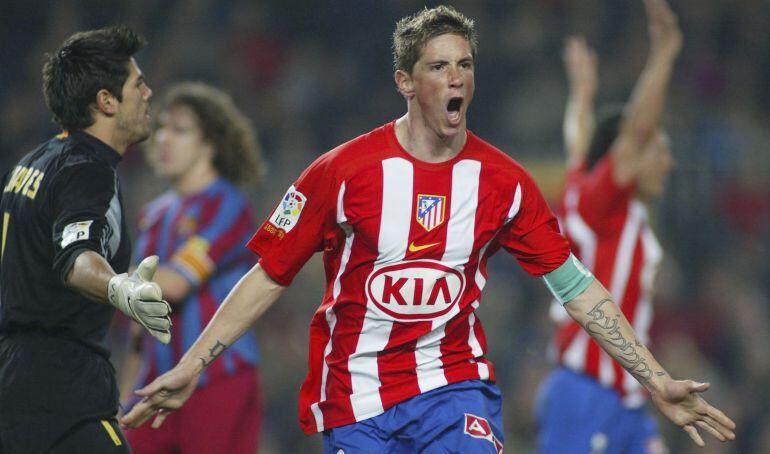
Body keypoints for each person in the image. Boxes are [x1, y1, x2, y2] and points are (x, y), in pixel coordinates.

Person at [122, 5, 735, 453]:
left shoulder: (505, 183)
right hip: (356, 399)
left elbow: (576, 287)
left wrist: (654, 377)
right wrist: (193, 363)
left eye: (465, 64)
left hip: (453, 389)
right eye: (439, 66)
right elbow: (267, 275)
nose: (457, 78)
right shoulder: (338, 173)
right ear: (406, 82)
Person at [0, 26, 171, 454]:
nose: (148, 93)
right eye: (138, 83)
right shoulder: (87, 170)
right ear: (106, 101)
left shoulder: (34, 162)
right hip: (59, 387)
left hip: (15, 376)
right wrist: (118, 288)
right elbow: (77, 258)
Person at [537, 1, 687, 452]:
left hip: (627, 400)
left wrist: (583, 94)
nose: (667, 161)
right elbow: (636, 131)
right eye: (656, 150)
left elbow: (578, 142)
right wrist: (664, 52)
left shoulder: (601, 201)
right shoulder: (602, 205)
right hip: (586, 393)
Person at [121, 82, 265, 453]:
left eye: (181, 130)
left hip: (216, 378)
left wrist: (95, 274)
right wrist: (122, 400)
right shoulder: (153, 215)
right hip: (153, 382)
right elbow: (139, 322)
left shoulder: (227, 204)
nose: (165, 138)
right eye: (164, 127)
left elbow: (174, 285)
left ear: (210, 144)